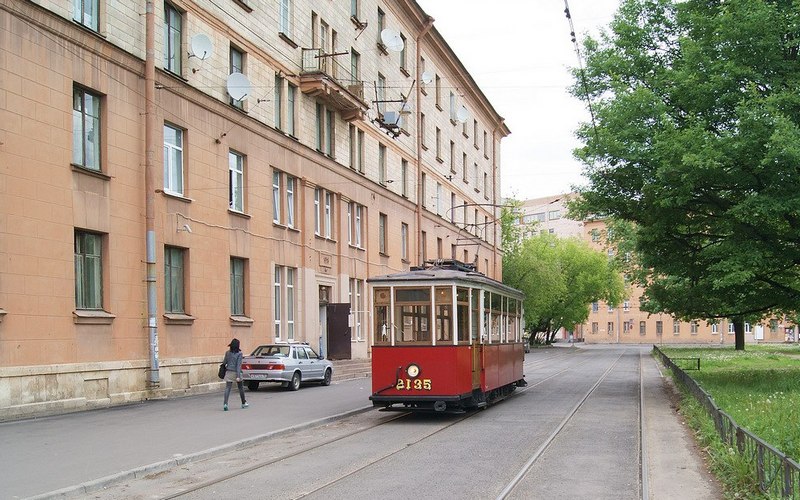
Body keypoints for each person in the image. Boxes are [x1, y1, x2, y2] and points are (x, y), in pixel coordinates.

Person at [222, 338, 248, 411]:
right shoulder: (239, 354)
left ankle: (225, 404)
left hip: (229, 372)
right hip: (237, 372)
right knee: (240, 388)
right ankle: (243, 403)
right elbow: (238, 365)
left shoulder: (227, 352)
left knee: (227, 388)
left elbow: (224, 362)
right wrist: (238, 376)